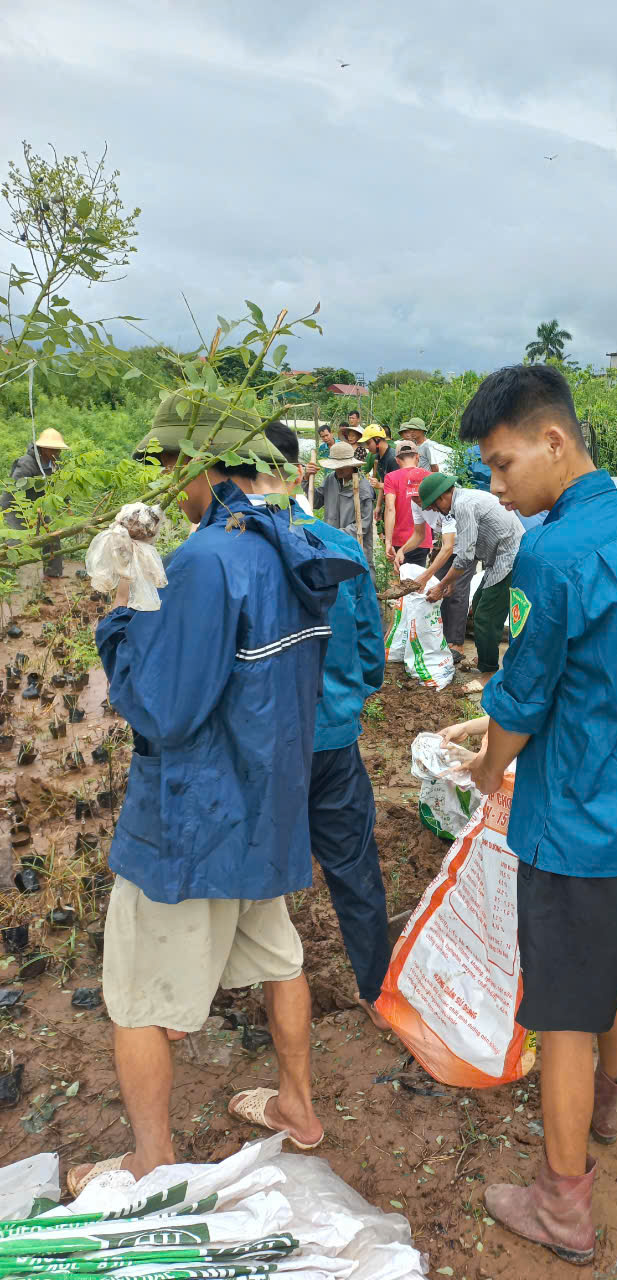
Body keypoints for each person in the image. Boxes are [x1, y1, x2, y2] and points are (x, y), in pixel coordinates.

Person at [66, 395, 365, 1196]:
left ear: (199, 464)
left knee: (133, 997)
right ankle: (298, 1107)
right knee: (279, 958)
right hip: (266, 810)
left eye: (170, 466)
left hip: (193, 824)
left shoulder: (206, 560)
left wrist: (124, 607)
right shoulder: (289, 544)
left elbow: (161, 708)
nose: (170, 483)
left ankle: (149, 1159)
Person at [455, 364, 617, 1264]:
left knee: (560, 1011)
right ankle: (608, 1100)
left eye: (500, 464)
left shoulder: (555, 555)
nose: (496, 486)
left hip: (581, 827)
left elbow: (518, 704)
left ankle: (564, 1204)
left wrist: (483, 768)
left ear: (554, 443)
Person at [262, 422, 390, 1031]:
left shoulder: (229, 552)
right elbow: (369, 643)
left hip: (264, 749)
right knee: (353, 865)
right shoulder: (339, 547)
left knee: (257, 872)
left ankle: (260, 994)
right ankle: (376, 986)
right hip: (333, 739)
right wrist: (352, 697)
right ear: (298, 471)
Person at [418, 473, 523, 682]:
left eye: (435, 507)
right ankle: (485, 658)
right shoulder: (463, 501)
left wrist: (442, 584)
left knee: (486, 616)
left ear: (442, 497)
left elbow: (464, 555)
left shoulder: (464, 505)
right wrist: (452, 581)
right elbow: (469, 548)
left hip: (509, 559)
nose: (436, 511)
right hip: (497, 558)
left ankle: (489, 671)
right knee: (478, 603)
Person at [394, 482, 473, 659]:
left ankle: (457, 645)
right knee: (438, 589)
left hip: (465, 547)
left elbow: (449, 547)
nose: (417, 501)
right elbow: (419, 535)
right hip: (446, 547)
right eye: (413, 497)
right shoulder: (416, 503)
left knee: (457, 591)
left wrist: (425, 575)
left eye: (419, 497)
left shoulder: (444, 505)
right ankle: (443, 640)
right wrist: (402, 550)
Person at [1, 428, 69, 577]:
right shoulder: (27, 462)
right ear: (44, 448)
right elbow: (16, 486)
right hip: (16, 506)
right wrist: (38, 482)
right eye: (55, 450)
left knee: (52, 536)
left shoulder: (55, 464)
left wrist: (67, 503)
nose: (58, 453)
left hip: (39, 507)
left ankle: (53, 574)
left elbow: (61, 485)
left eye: (59, 450)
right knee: (16, 542)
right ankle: (8, 579)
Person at [317, 441, 375, 569]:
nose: (338, 470)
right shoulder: (330, 479)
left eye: (342, 467)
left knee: (360, 579)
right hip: (332, 546)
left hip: (354, 546)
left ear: (351, 465)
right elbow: (316, 502)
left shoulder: (363, 488)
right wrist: (306, 479)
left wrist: (336, 534)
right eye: (336, 466)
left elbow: (363, 525)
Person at [383, 440, 432, 568]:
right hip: (423, 539)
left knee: (402, 580)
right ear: (417, 457)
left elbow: (390, 509)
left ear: (397, 460)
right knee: (417, 581)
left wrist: (388, 542)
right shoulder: (429, 476)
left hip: (400, 539)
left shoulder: (390, 477)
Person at [359, 425, 399, 522]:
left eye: (369, 443)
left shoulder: (393, 459)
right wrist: (378, 505)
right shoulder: (379, 456)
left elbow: (398, 487)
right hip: (389, 502)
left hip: (398, 506)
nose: (367, 447)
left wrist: (379, 485)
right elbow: (383, 479)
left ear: (377, 439)